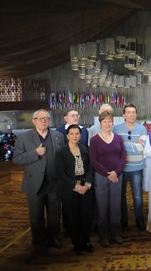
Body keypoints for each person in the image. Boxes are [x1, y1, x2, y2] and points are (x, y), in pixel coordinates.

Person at [13, 109, 65, 255]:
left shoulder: (58, 136)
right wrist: (35, 153)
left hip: (54, 184)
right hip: (35, 184)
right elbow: (17, 159)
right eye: (40, 118)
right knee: (36, 216)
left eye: (46, 118)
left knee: (55, 214)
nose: (43, 121)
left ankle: (54, 238)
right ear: (34, 121)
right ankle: (39, 242)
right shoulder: (24, 138)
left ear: (49, 120)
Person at [55, 124, 95, 255]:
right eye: (71, 134)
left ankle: (86, 241)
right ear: (67, 136)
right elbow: (60, 174)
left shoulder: (85, 149)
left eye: (77, 133)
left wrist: (87, 184)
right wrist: (75, 185)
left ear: (81, 135)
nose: (74, 136)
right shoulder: (61, 152)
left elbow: (90, 168)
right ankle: (77, 243)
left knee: (86, 217)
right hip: (70, 190)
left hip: (86, 188)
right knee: (73, 218)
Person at [89, 111, 126, 247]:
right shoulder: (94, 140)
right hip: (101, 177)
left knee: (116, 208)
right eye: (105, 122)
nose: (107, 124)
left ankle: (116, 233)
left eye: (110, 121)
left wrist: (116, 172)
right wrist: (107, 173)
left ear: (112, 123)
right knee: (102, 207)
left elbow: (123, 157)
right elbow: (93, 160)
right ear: (100, 123)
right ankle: (103, 236)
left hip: (117, 177)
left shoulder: (118, 138)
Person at [113, 103, 147, 231]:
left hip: (137, 167)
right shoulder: (116, 129)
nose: (131, 115)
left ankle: (140, 220)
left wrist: (123, 144)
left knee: (138, 196)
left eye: (133, 112)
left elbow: (141, 147)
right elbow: (116, 147)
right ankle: (123, 221)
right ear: (123, 115)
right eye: (129, 112)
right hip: (120, 168)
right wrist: (132, 145)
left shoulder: (142, 129)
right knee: (121, 196)